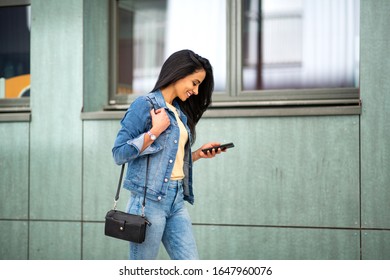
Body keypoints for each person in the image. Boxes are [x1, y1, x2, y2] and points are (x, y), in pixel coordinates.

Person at [112, 49, 227, 260]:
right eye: (194, 83)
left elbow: (166, 161)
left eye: (199, 85)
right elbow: (119, 153)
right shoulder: (144, 105)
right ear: (179, 73)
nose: (197, 90)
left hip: (176, 201)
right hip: (148, 203)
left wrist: (198, 154)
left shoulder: (177, 112)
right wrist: (154, 131)